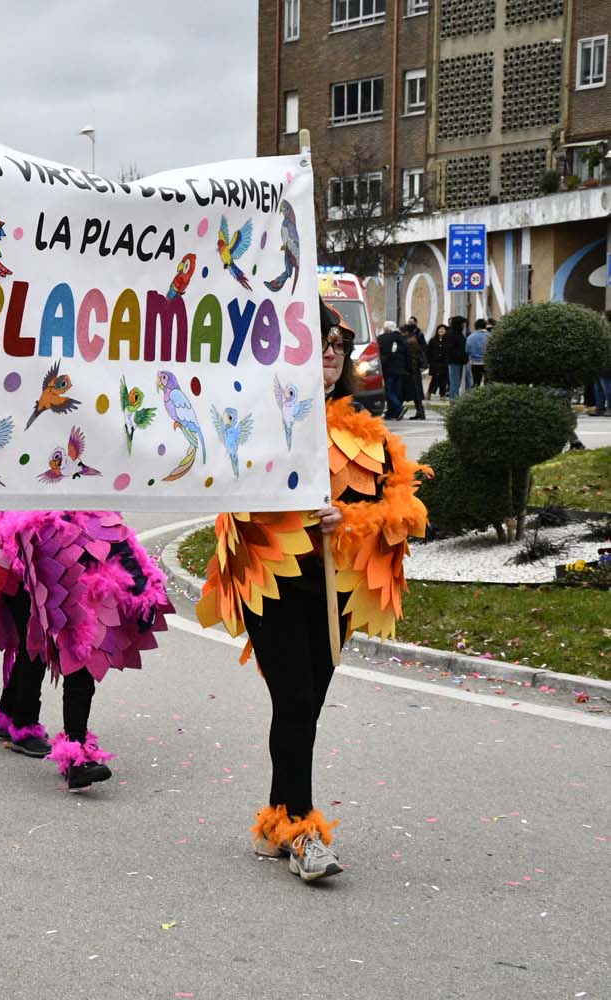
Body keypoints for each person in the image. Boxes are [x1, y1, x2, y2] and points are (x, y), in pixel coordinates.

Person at [196, 300, 428, 883]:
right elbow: (223, 480)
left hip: (333, 590)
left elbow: (395, 509)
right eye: (319, 340)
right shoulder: (257, 415)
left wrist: (346, 520)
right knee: (296, 700)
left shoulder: (366, 434)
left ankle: (277, 819)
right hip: (271, 580)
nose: (331, 351)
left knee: (303, 707)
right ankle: (302, 832)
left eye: (338, 344)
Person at [0, 510, 172, 790]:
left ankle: (17, 719)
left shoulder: (92, 504)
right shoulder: (28, 510)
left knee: (68, 659)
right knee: (35, 650)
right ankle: (55, 745)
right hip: (22, 573)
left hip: (72, 594)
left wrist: (144, 590)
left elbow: (114, 536)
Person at [377, 320, 409, 420]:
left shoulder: (382, 338)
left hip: (389, 369)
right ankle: (393, 412)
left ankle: (399, 407)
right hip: (400, 369)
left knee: (388, 391)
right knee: (396, 391)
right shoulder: (401, 338)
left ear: (385, 328)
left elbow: (382, 354)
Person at [404, 320, 428, 420]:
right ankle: (420, 412)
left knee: (416, 392)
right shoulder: (412, 339)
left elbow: (411, 356)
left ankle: (420, 412)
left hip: (413, 370)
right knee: (416, 392)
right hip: (414, 369)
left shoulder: (410, 341)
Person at [445, 315, 471, 399]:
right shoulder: (451, 334)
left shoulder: (459, 334)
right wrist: (462, 356)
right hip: (454, 362)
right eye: (462, 324)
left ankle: (456, 398)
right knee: (455, 382)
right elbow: (452, 350)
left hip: (460, 361)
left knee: (459, 382)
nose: (463, 326)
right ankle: (453, 399)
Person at [425, 323, 449, 399]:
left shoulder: (448, 341)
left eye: (443, 329)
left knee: (443, 379)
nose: (441, 330)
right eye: (440, 329)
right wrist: (428, 361)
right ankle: (429, 393)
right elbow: (428, 352)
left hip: (444, 363)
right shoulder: (433, 340)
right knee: (434, 378)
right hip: (435, 363)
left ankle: (442, 394)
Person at [466, 318, 489, 388]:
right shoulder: (490, 336)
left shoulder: (470, 337)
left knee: (476, 382)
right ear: (485, 326)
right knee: (488, 382)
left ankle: (475, 396)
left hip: (475, 362)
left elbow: (467, 350)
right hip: (487, 362)